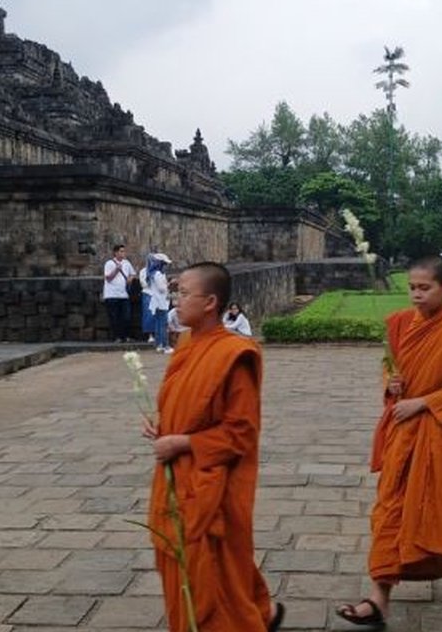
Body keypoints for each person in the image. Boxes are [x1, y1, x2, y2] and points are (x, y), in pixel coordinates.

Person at [336, 256, 442, 627]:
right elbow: (390, 366)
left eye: (425, 288)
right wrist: (391, 383)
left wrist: (422, 403)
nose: (416, 295)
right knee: (391, 506)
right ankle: (380, 597)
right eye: (412, 288)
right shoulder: (398, 324)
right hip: (404, 431)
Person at [141, 262, 283, 632]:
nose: (177, 299)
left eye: (185, 293)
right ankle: (261, 613)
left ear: (210, 302)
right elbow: (189, 406)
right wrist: (164, 428)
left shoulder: (234, 355)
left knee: (215, 583)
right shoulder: (187, 345)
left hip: (212, 487)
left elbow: (240, 433)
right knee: (203, 574)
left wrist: (182, 442)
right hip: (179, 480)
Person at [103, 244, 137, 342]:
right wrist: (116, 270)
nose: (123, 253)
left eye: (124, 251)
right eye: (121, 251)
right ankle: (117, 337)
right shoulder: (109, 263)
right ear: (116, 252)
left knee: (126, 317)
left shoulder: (127, 263)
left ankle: (126, 336)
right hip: (112, 294)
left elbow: (133, 274)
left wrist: (130, 279)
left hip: (124, 294)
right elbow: (108, 278)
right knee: (114, 317)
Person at [145, 254, 174, 353]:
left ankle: (159, 344)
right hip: (160, 302)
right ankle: (164, 345)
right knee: (163, 324)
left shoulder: (157, 274)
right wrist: (169, 284)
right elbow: (162, 288)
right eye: (165, 264)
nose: (166, 266)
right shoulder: (157, 274)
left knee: (159, 323)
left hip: (159, 301)